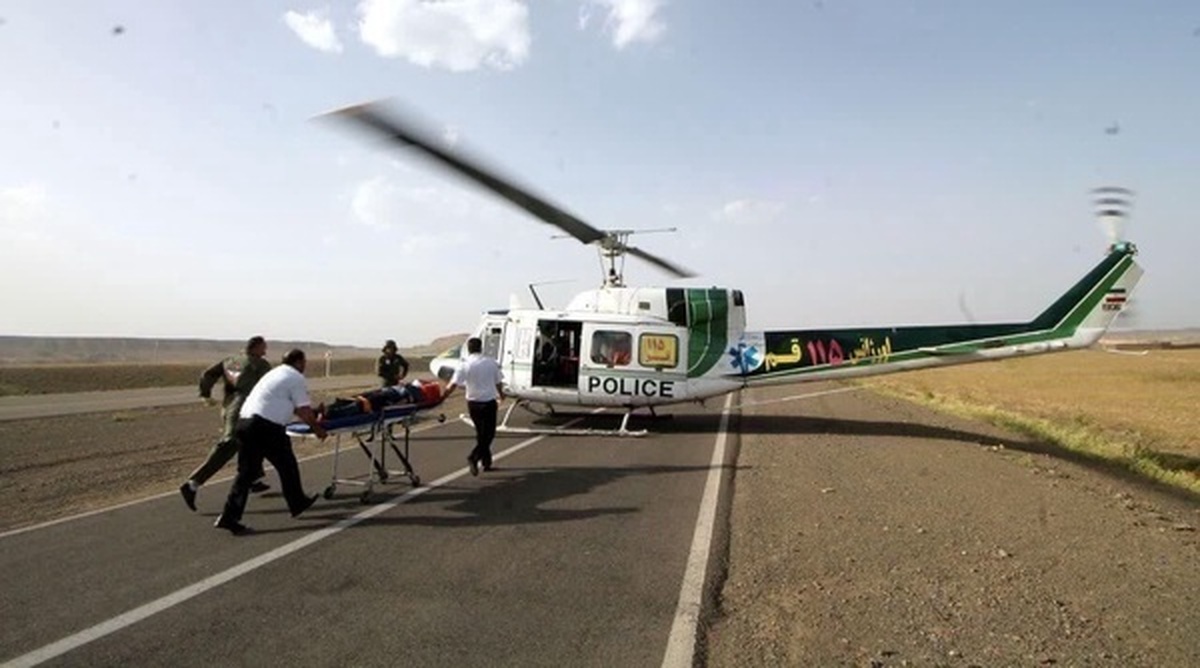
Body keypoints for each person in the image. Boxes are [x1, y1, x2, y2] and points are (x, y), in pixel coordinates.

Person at [213, 348, 326, 535]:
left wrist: (313, 414)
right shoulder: (295, 377)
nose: (305, 366)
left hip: (245, 423)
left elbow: (293, 407)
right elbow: (302, 410)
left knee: (246, 473)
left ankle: (229, 516)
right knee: (287, 464)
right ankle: (297, 502)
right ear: (299, 362)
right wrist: (317, 428)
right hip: (265, 427)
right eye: (304, 362)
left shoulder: (275, 373)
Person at [180, 336, 272, 511]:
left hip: (228, 405)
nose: (265, 351)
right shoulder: (259, 364)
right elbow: (270, 385)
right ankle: (193, 483)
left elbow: (209, 374)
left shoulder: (230, 361)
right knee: (229, 444)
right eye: (263, 348)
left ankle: (253, 477)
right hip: (243, 408)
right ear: (255, 348)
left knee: (255, 441)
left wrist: (205, 393)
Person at [442, 337, 504, 476]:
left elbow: (453, 384)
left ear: (469, 349)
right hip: (489, 402)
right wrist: (501, 394)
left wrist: (443, 397)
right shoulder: (491, 363)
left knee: (481, 434)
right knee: (489, 434)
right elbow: (498, 381)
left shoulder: (464, 365)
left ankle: (486, 462)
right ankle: (474, 457)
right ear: (481, 348)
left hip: (473, 404)